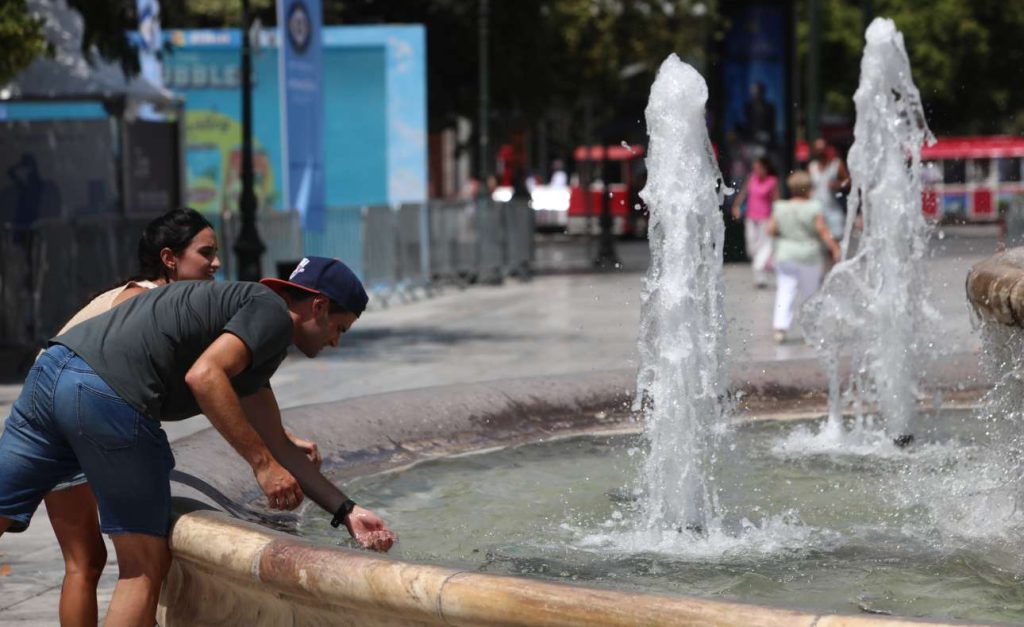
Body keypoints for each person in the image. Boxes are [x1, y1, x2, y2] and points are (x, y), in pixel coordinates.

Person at [3, 217, 335, 626]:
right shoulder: (145, 298)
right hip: (88, 401)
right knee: (139, 561)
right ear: (169, 259)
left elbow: (241, 393)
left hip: (47, 391)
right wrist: (264, 464)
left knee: (84, 561)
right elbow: (170, 371)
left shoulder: (182, 307)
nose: (216, 264)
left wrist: (279, 437)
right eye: (206, 253)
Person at [768, 170, 841, 344]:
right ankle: (812, 329)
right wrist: (835, 248)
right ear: (807, 188)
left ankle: (780, 328)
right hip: (809, 255)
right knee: (810, 294)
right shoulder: (814, 207)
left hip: (785, 254)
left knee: (785, 290)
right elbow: (823, 231)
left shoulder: (780, 206)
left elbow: (770, 230)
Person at [731, 157, 779, 288]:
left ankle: (760, 276)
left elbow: (776, 201)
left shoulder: (772, 181)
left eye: (758, 168)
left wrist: (775, 219)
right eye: (754, 168)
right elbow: (743, 194)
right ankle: (767, 267)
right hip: (751, 218)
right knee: (752, 248)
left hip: (765, 218)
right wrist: (736, 206)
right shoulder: (752, 178)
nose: (756, 170)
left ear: (765, 168)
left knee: (764, 246)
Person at [808, 138, 851, 244]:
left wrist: (838, 184)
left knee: (837, 242)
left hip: (833, 211)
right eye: (817, 150)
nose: (820, 153)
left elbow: (848, 182)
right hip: (816, 211)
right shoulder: (812, 167)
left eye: (822, 149)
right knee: (820, 243)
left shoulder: (836, 164)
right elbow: (808, 186)